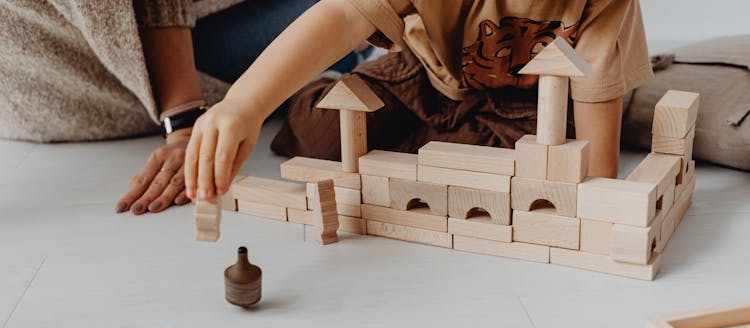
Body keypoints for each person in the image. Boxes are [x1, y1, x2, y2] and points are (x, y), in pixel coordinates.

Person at [183, 0, 653, 202]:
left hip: (524, 107)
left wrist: (587, 190)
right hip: (423, 71)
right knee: (319, 132)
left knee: (536, 174)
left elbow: (597, 168)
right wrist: (245, 103)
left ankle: (441, 141)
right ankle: (341, 80)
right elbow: (345, 12)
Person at [0, 0, 365, 215]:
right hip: (59, 92)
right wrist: (184, 120)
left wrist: (184, 118)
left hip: (171, 49)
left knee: (364, 19)